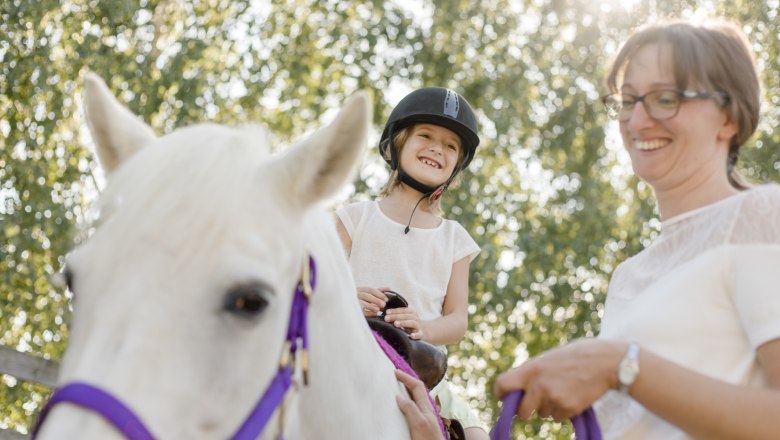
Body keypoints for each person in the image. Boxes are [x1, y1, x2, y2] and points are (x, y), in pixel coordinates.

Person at [492, 18, 780, 439]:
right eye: (627, 101)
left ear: (729, 118)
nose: (637, 121)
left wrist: (619, 365)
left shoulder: (760, 215)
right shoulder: (628, 276)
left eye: (665, 99)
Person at [336, 86, 490, 439]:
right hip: (351, 348)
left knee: (479, 436)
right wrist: (347, 297)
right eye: (425, 135)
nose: (437, 148)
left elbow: (457, 319)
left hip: (423, 369)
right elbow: (314, 282)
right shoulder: (355, 218)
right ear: (397, 144)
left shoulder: (455, 239)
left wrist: (424, 327)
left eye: (451, 145)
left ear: (456, 164)